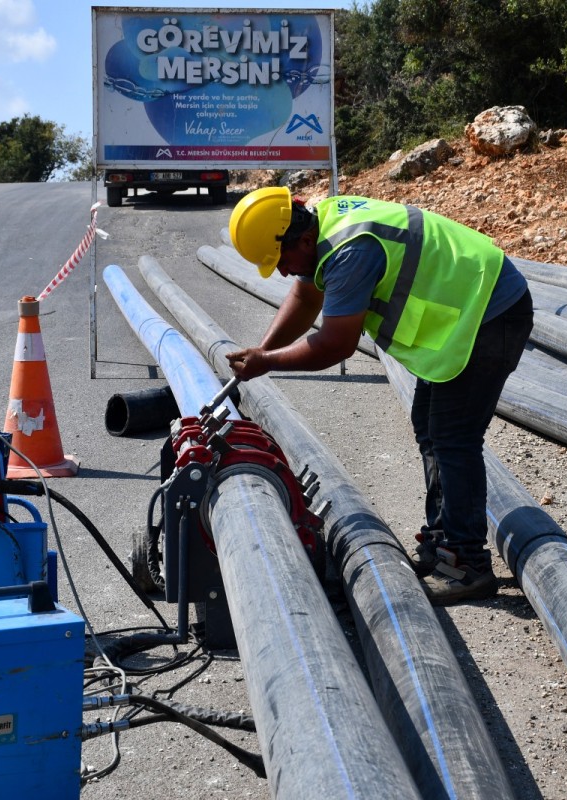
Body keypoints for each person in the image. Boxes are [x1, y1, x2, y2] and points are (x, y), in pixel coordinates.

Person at [225, 187, 533, 605]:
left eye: (281, 262)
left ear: (299, 239)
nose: (281, 273)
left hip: (490, 310)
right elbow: (304, 296)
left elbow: (335, 344)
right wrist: (261, 352)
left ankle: (467, 564)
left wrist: (269, 362)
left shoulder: (350, 250)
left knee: (453, 437)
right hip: (470, 311)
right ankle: (445, 541)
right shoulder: (318, 226)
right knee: (430, 426)